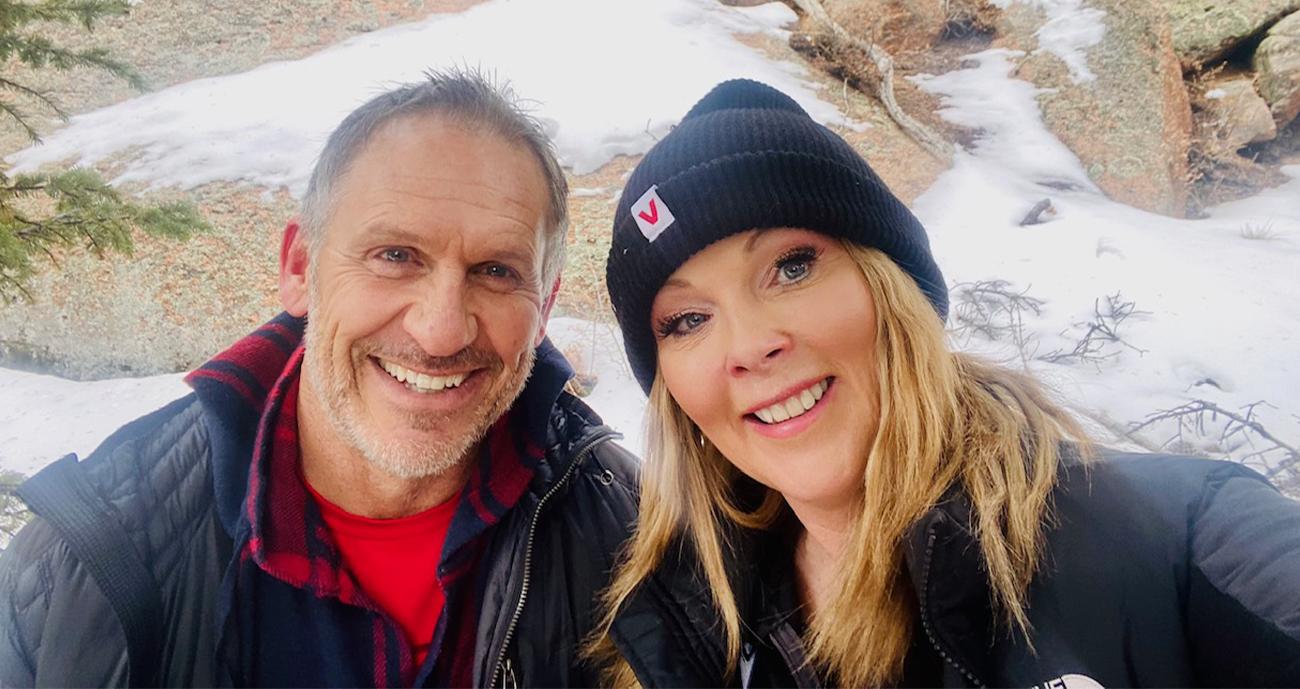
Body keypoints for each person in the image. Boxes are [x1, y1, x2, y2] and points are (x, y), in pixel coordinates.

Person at [592, 79, 1300, 688]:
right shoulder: (679, 627)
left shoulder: (1182, 540)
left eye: (794, 266)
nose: (748, 346)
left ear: (891, 287)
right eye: (687, 319)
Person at [0, 69, 643, 687]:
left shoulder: (635, 541)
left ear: (545, 307)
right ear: (301, 267)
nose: (441, 331)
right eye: (395, 256)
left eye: (497, 272)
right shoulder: (87, 564)